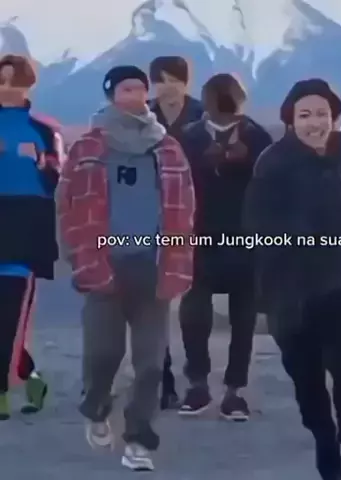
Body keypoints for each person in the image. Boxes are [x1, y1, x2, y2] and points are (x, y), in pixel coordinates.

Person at [244, 79, 341, 480]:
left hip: (338, 282)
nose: (315, 123)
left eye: (322, 114)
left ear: (334, 116)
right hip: (289, 290)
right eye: (305, 115)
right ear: (291, 121)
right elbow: (256, 226)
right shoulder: (273, 164)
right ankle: (324, 436)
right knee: (307, 379)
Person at [56, 65, 195, 471]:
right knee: (104, 354)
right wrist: (75, 254)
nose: (134, 95)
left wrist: (180, 256)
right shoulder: (88, 147)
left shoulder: (167, 148)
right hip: (103, 264)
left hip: (154, 266)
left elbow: (185, 207)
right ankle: (96, 407)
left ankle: (138, 441)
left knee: (151, 364)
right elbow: (65, 204)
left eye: (139, 88)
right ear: (111, 95)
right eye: (125, 89)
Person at [177, 73, 272, 421]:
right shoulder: (189, 138)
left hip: (246, 237)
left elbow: (268, 187)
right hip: (199, 236)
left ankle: (235, 390)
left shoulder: (258, 138)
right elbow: (177, 185)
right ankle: (197, 384)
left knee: (243, 316)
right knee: (194, 313)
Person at [0, 54, 61, 420]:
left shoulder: (43, 130)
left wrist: (40, 162)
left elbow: (56, 176)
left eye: (14, 81)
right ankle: (31, 376)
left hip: (24, 228)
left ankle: (2, 392)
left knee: (9, 315)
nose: (7, 88)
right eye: (1, 80)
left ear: (28, 85)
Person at [147, 55, 204, 410]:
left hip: (198, 218)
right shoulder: (142, 117)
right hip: (152, 218)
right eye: (161, 80)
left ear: (186, 82)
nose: (167, 87)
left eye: (174, 79)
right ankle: (163, 377)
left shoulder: (203, 115)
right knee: (155, 302)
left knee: (194, 302)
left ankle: (197, 377)